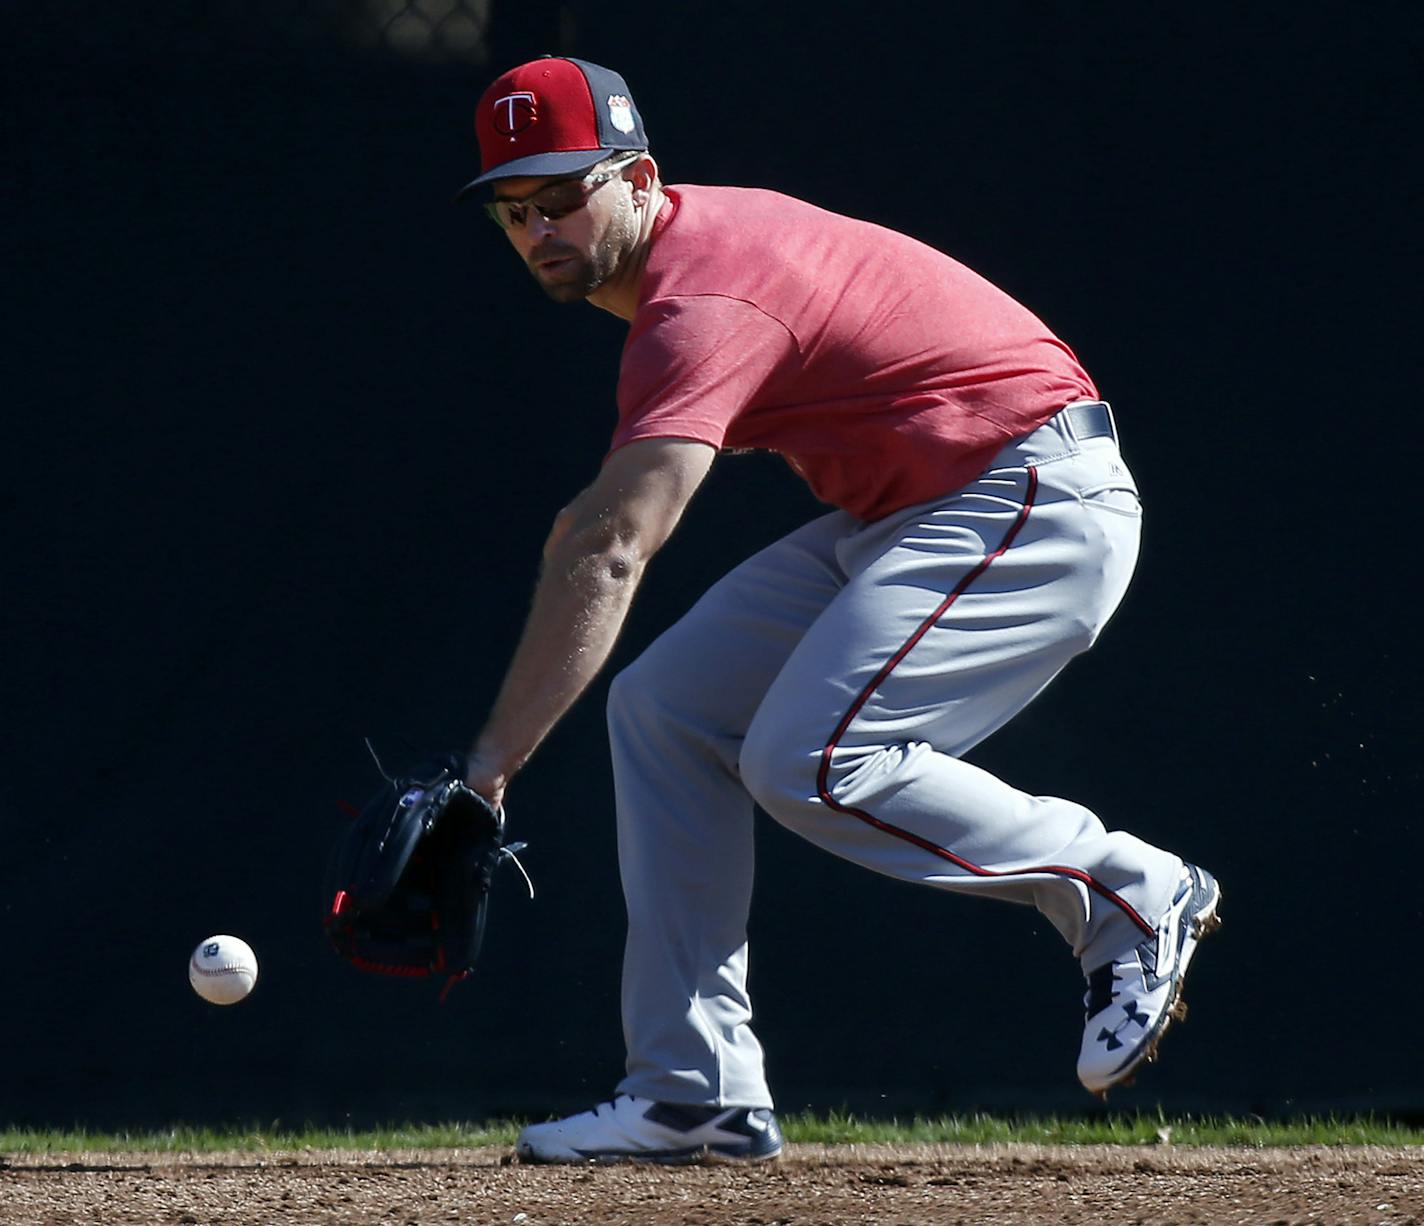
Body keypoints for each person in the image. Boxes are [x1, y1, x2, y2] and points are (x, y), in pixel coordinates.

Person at [456, 56, 1222, 1165]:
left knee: (809, 757)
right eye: (512, 209)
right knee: (663, 708)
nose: (538, 227)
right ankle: (691, 1089)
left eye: (563, 193)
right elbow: (597, 535)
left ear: (636, 178)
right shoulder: (688, 266)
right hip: (918, 509)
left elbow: (610, 544)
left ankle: (1124, 888)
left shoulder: (698, 294)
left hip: (1032, 495)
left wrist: (489, 766)